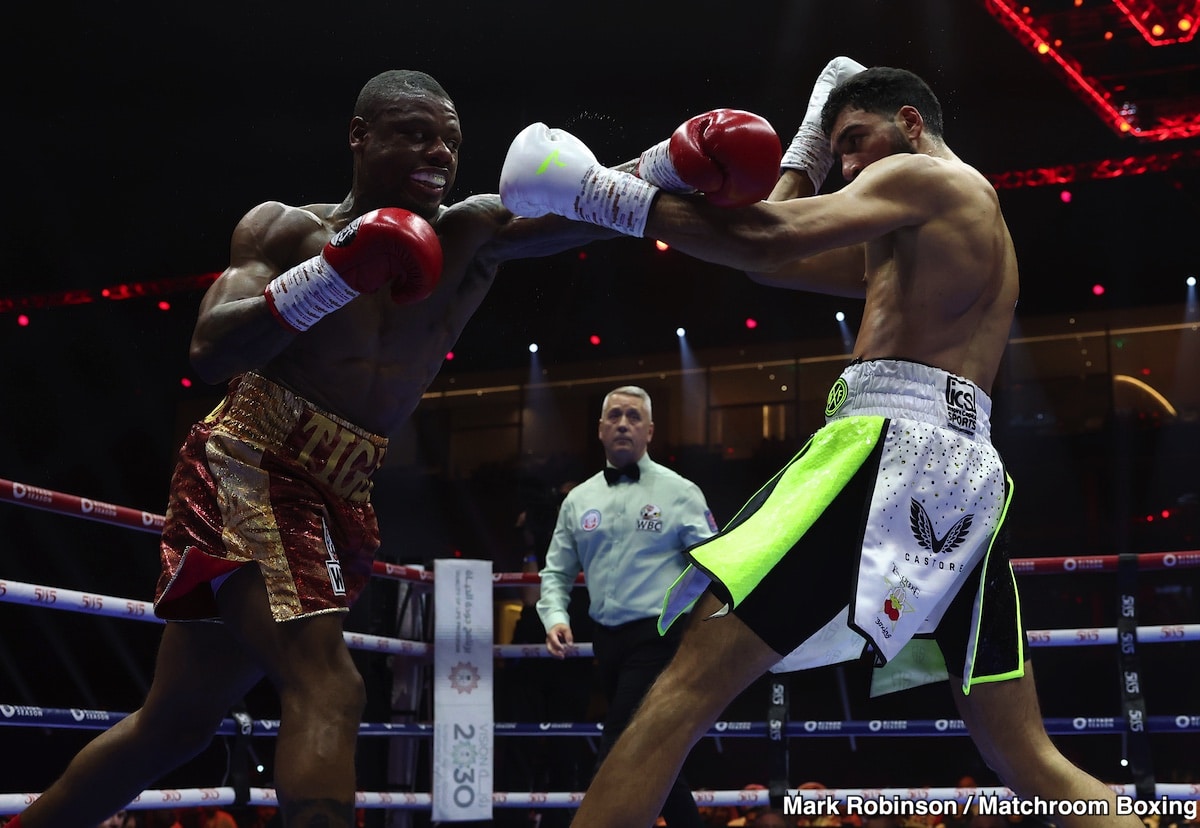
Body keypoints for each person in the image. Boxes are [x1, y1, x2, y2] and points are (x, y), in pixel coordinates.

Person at [7, 71, 781, 828]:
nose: (438, 152)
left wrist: (677, 162)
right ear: (359, 136)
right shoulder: (286, 230)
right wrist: (334, 274)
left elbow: (582, 201)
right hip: (252, 464)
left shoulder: (471, 232)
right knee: (330, 686)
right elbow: (211, 350)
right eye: (414, 133)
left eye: (450, 140)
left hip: (343, 489)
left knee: (174, 727)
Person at [499, 60, 1142, 827]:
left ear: (910, 124)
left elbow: (768, 240)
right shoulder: (948, 227)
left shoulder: (926, 176)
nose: (849, 167)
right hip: (964, 473)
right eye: (837, 153)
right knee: (1023, 754)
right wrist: (807, 142)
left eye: (856, 140)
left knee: (682, 688)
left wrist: (591, 191)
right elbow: (772, 257)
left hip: (891, 449)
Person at [537, 386, 721, 828]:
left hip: (659, 638)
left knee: (619, 749)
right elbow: (556, 571)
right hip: (606, 642)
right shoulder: (578, 500)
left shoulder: (679, 492)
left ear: (649, 431)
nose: (623, 423)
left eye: (633, 416)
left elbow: (712, 563)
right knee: (652, 756)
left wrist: (680, 613)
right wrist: (556, 617)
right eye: (615, 415)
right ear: (600, 429)